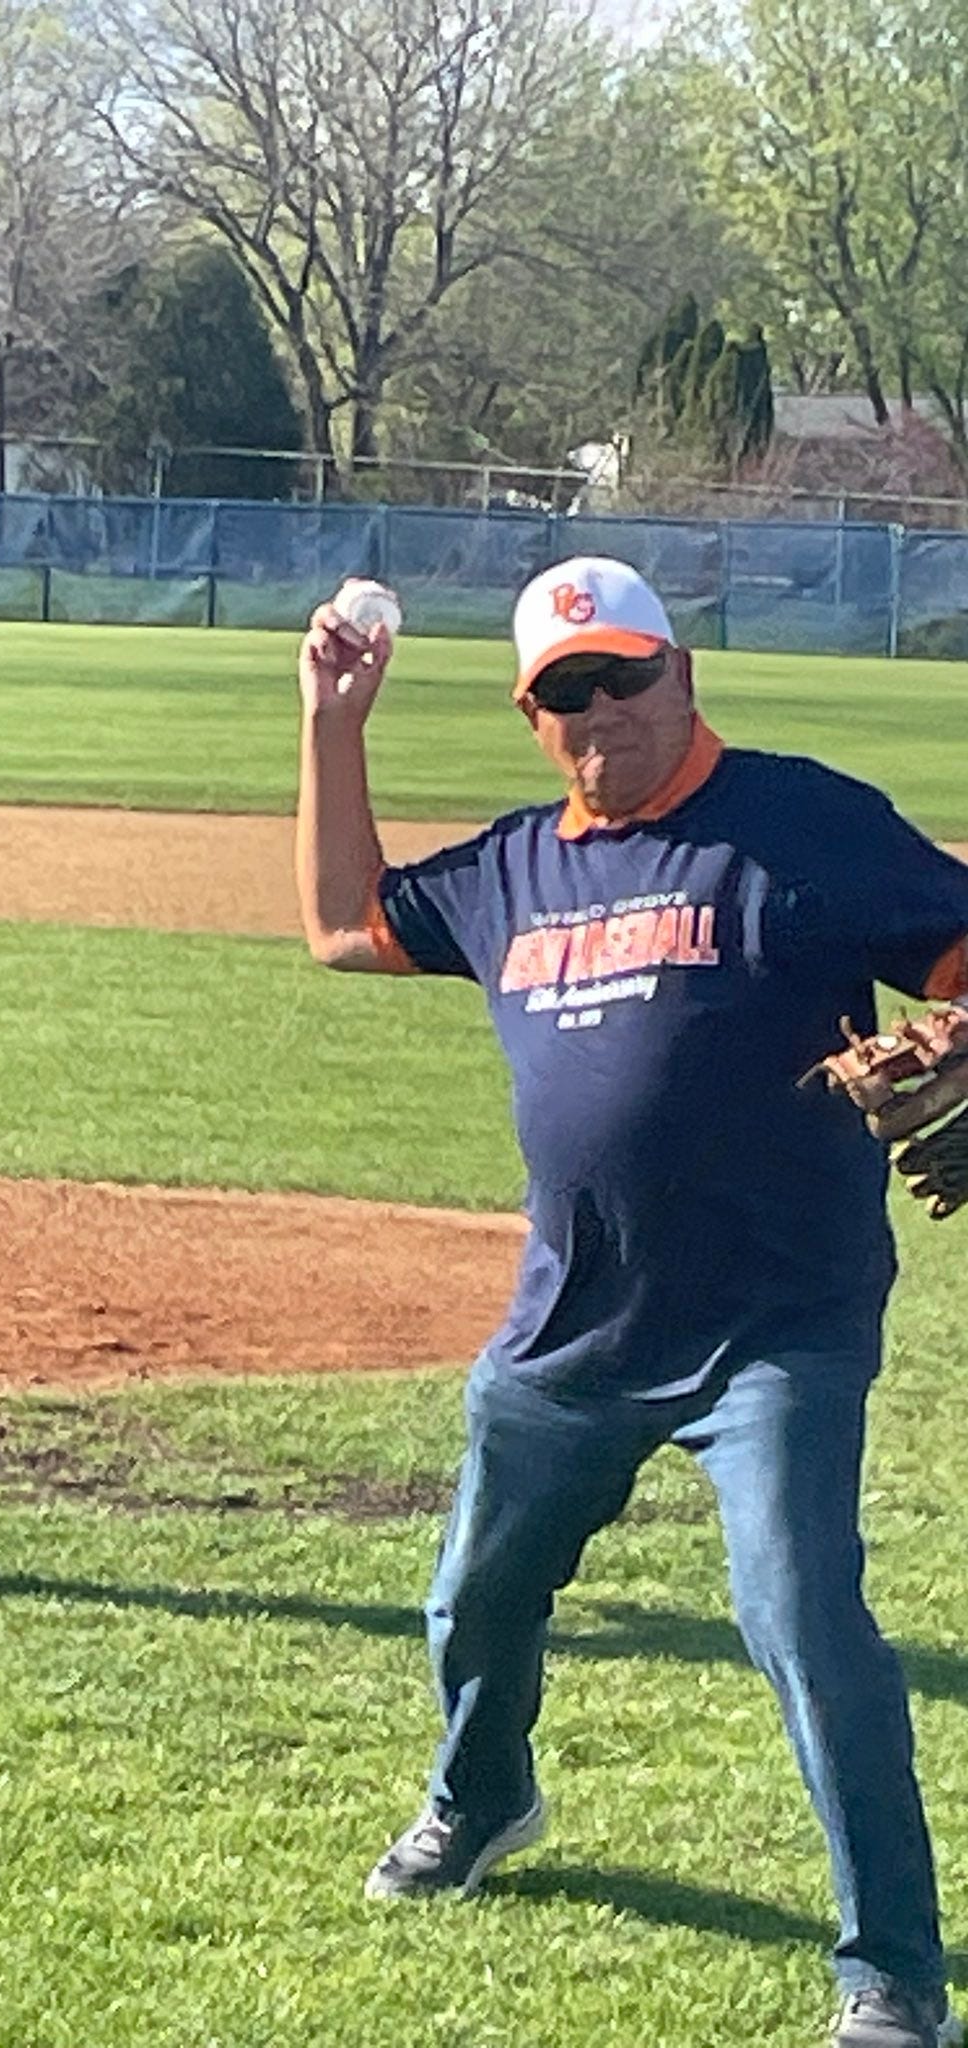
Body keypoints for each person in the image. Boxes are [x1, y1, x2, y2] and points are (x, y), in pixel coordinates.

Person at [294, 555, 967, 2048]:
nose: (601, 711)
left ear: (681, 673)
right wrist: (335, 722)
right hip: (574, 1329)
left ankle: (894, 1972)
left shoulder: (802, 824)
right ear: (535, 716)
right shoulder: (519, 865)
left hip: (774, 1329)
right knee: (476, 1597)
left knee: (804, 1616)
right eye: (564, 692)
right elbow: (345, 922)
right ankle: (484, 1798)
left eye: (623, 677)